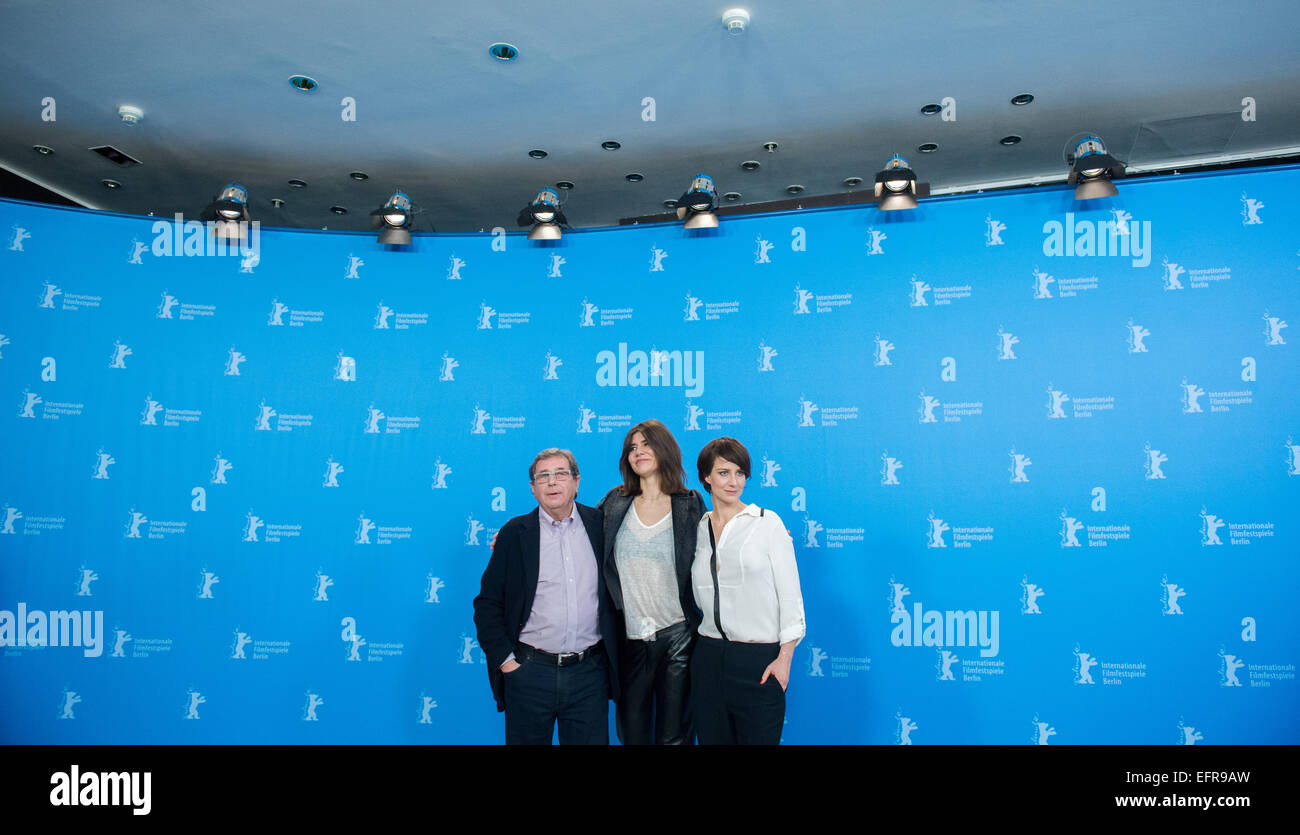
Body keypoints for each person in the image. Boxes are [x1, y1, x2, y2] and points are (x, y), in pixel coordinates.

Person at [472, 448, 620, 744]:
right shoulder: (514, 534)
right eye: (543, 476)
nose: (552, 482)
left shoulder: (601, 526)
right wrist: (507, 663)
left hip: (589, 675)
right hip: (529, 673)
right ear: (533, 487)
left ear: (576, 482)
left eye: (561, 474)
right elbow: (487, 604)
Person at [598, 419, 707, 744]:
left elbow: (721, 537)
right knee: (632, 735)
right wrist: (517, 533)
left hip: (678, 637)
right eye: (632, 447)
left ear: (664, 449)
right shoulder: (615, 502)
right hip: (629, 638)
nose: (638, 452)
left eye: (646, 444)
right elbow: (575, 529)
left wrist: (763, 534)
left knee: (675, 737)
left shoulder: (689, 503)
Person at [691, 437, 805, 745]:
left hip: (759, 662)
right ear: (706, 476)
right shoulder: (699, 527)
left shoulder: (768, 523)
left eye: (740, 473)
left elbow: (791, 596)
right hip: (708, 659)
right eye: (724, 473)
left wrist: (785, 658)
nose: (734, 482)